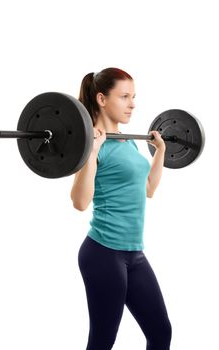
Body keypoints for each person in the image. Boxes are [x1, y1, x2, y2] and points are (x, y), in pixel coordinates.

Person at [70, 67, 172, 350]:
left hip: (134, 254)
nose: (132, 104)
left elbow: (148, 190)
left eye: (134, 97)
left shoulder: (128, 143)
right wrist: (91, 152)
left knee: (161, 332)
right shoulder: (93, 144)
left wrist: (161, 152)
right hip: (103, 253)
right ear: (102, 99)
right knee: (103, 340)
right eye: (125, 96)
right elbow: (79, 202)